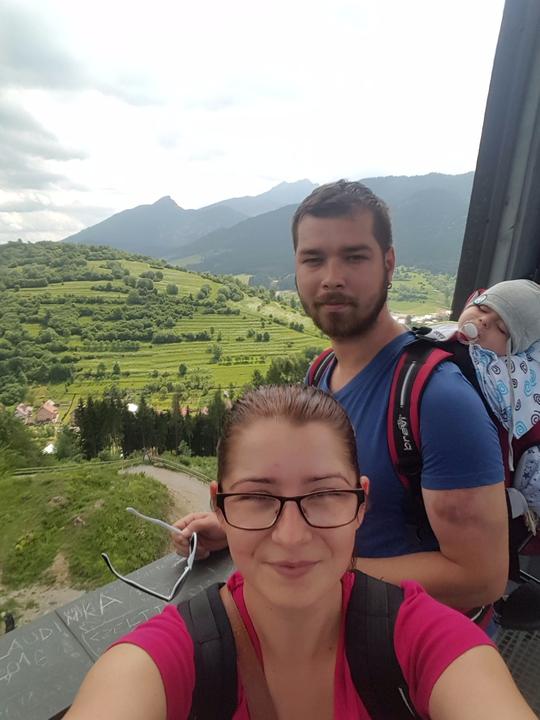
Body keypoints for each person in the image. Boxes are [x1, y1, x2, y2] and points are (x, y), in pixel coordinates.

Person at [64, 385, 535, 720]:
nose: (291, 537)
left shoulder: (427, 643)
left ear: (361, 505)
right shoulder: (159, 663)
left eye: (324, 494)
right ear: (220, 508)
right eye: (256, 497)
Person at [173, 180, 508, 613]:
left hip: (410, 642)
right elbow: (312, 502)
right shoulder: (321, 373)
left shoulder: (439, 400)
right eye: (313, 259)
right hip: (336, 623)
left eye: (354, 256)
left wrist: (317, 569)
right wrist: (245, 533)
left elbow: (480, 577)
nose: (332, 278)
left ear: (388, 264)